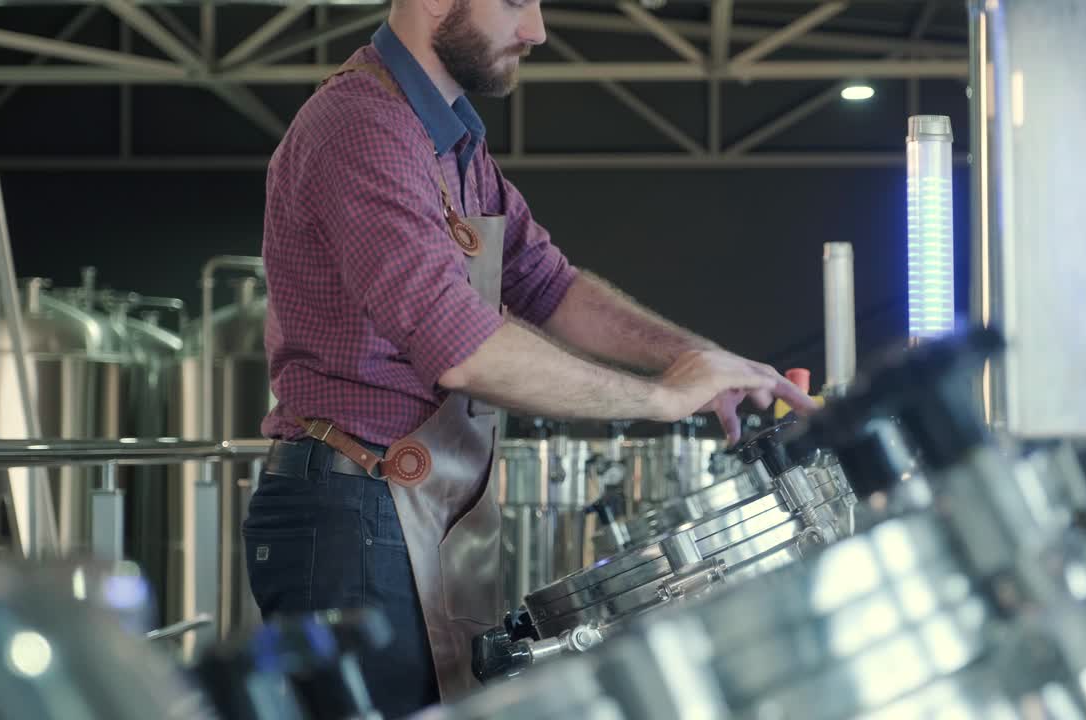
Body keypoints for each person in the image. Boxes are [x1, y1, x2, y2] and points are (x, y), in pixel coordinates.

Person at [245, 0, 814, 716]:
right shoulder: (361, 127)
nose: (538, 30)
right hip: (353, 513)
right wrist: (660, 400)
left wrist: (698, 360)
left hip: (414, 507)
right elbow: (459, 343)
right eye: (514, 1)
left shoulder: (451, 144)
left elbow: (549, 286)